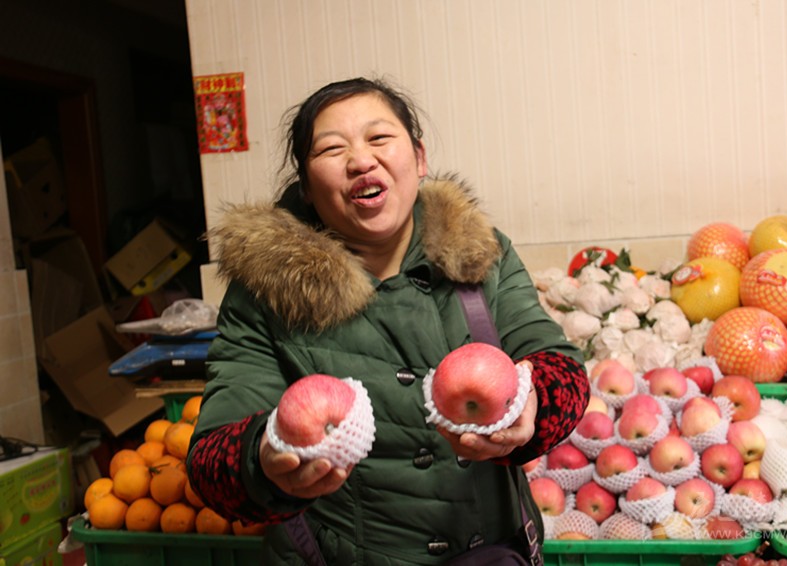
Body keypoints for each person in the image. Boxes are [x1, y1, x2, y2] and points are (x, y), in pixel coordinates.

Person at [187, 77, 589, 565]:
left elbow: (562, 369)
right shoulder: (265, 293)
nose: (361, 161)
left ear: (419, 158)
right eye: (331, 149)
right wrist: (264, 459)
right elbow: (210, 463)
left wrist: (535, 403)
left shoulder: (483, 253)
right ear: (307, 188)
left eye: (379, 138)